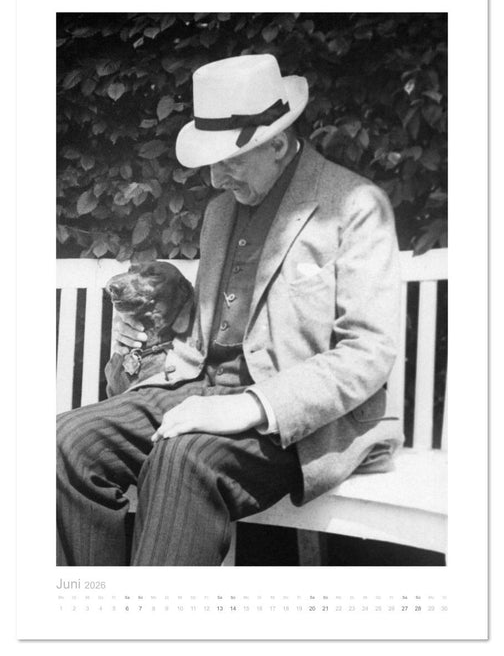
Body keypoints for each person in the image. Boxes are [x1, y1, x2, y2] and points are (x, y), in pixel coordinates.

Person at [56, 53, 403, 566]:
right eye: (212, 162)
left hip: (295, 418)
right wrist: (137, 358)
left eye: (230, 160)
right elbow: (201, 347)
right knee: (65, 442)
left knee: (184, 457)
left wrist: (249, 406)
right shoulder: (220, 213)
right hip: (199, 390)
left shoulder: (355, 204)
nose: (217, 179)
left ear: (278, 144)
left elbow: (368, 353)